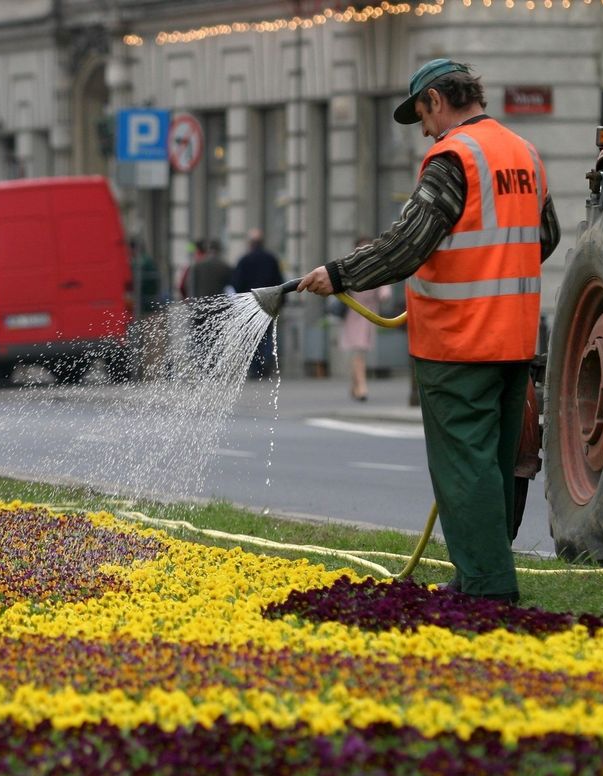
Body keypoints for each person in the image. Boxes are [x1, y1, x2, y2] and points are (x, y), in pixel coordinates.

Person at [295, 58, 560, 604]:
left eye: (422, 115)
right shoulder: (524, 154)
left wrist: (338, 274)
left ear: (437, 101)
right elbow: (546, 236)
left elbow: (406, 245)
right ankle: (475, 573)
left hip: (460, 345)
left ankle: (487, 590)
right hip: (513, 343)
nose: (424, 131)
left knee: (465, 470)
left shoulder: (452, 158)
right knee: (495, 466)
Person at [338, 237, 391, 401]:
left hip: (368, 314)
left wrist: (383, 294)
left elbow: (384, 288)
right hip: (353, 313)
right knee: (358, 350)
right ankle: (361, 387)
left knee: (360, 351)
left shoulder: (377, 266)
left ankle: (355, 385)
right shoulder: (349, 267)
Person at [232, 228, 284, 377]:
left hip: (251, 303)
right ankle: (266, 363)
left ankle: (255, 368)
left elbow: (237, 282)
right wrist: (281, 302)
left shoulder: (244, 260)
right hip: (269, 302)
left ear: (251, 243)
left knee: (252, 336)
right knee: (267, 334)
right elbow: (279, 281)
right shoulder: (271, 259)